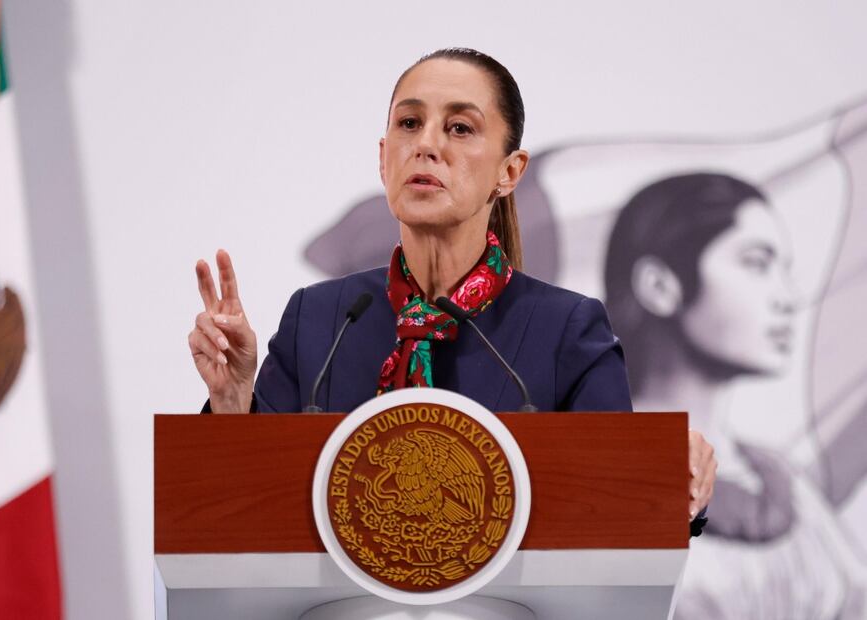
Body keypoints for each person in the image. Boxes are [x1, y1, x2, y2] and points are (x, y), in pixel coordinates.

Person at [188, 48, 715, 521]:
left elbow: (616, 513)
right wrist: (233, 402)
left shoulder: (566, 330)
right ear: (382, 157)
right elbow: (243, 511)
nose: (427, 145)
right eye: (409, 123)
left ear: (509, 173)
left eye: (460, 128)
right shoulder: (320, 320)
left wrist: (671, 479)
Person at [603, 172, 867, 618]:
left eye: (786, 270)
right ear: (659, 285)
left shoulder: (786, 483)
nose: (788, 298)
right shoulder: (590, 473)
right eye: (757, 263)